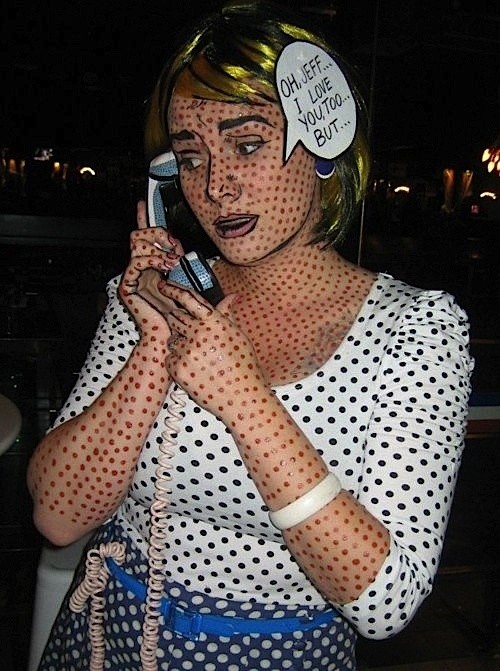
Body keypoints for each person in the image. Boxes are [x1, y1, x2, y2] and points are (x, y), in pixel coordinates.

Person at [27, 2, 473, 670]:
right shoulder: (159, 295)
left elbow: (388, 601)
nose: (215, 186)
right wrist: (154, 342)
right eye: (190, 158)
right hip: (104, 640)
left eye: (248, 144)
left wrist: (243, 398)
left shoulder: (415, 328)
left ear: (323, 147)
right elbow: (58, 516)